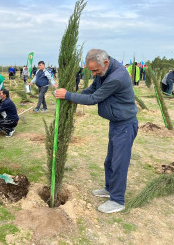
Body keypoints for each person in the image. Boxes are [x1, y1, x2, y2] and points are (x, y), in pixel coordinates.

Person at [55, 49, 138, 214]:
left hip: (125, 126)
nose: (93, 74)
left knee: (118, 164)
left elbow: (94, 99)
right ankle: (109, 189)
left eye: (95, 70)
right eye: (90, 70)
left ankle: (117, 201)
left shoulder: (117, 77)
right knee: (109, 161)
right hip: (116, 123)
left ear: (105, 63)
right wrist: (71, 97)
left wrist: (69, 95)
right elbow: (90, 91)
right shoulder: (103, 73)